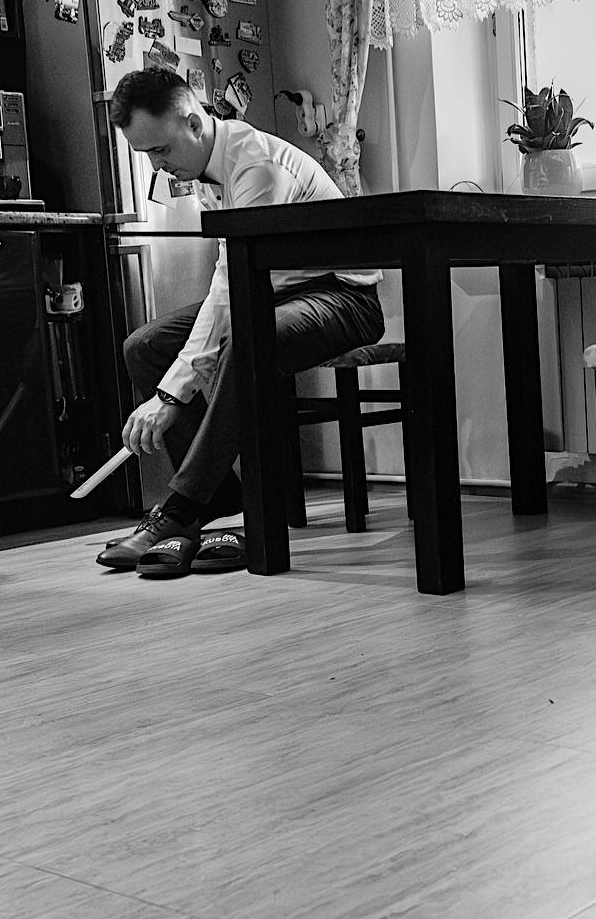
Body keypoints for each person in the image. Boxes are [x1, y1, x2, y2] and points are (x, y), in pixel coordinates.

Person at [96, 68, 384, 573]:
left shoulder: (255, 167)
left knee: (247, 340)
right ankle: (215, 495)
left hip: (342, 293)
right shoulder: (203, 167)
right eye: (146, 155)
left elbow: (233, 288)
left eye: (160, 150)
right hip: (274, 291)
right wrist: (174, 386)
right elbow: (235, 285)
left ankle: (182, 508)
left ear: (193, 123)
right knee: (144, 346)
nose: (157, 165)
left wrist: (171, 396)